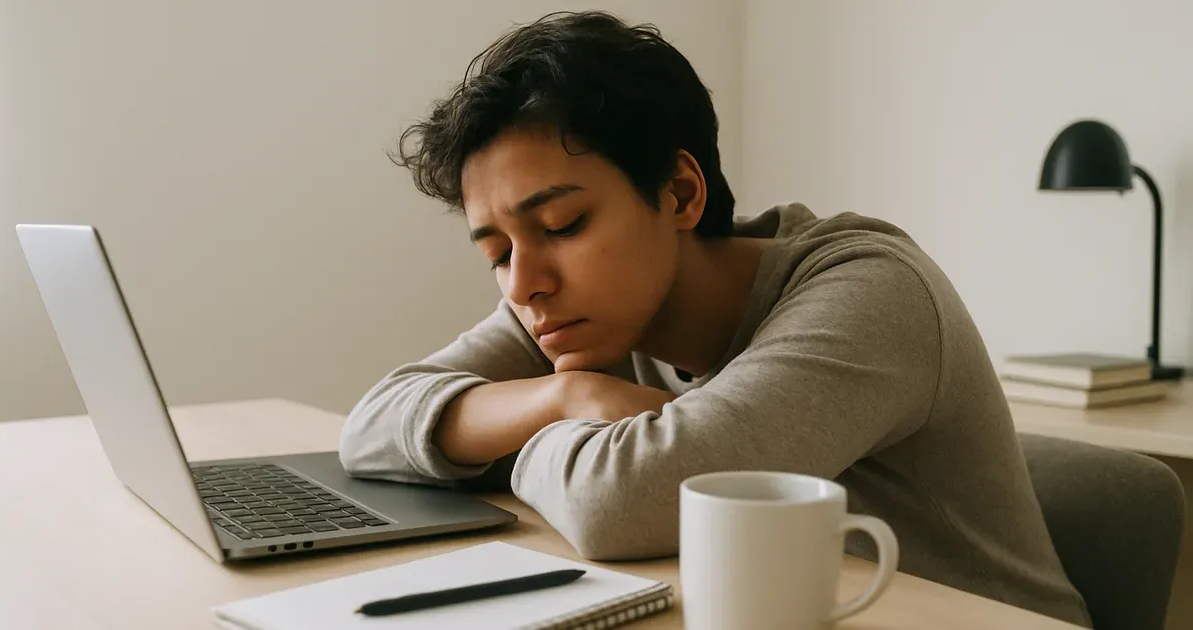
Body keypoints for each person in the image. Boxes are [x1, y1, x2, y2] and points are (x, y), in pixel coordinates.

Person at [339, 10, 1091, 628]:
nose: (525, 284)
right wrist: (565, 400)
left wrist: (505, 439)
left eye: (563, 224)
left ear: (679, 193)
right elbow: (372, 425)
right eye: (497, 250)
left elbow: (626, 499)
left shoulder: (870, 292)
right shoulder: (571, 314)